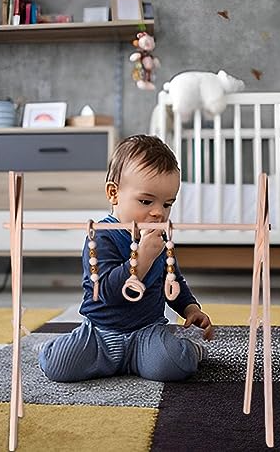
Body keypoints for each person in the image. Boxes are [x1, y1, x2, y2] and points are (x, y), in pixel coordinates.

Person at [39, 135, 213, 382]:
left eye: (167, 204)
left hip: (146, 333)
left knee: (171, 365)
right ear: (114, 193)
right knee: (59, 366)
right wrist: (142, 257)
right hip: (100, 334)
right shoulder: (100, 237)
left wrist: (190, 307)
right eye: (146, 201)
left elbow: (173, 281)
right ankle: (49, 349)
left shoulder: (159, 241)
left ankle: (191, 350)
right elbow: (108, 291)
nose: (158, 212)